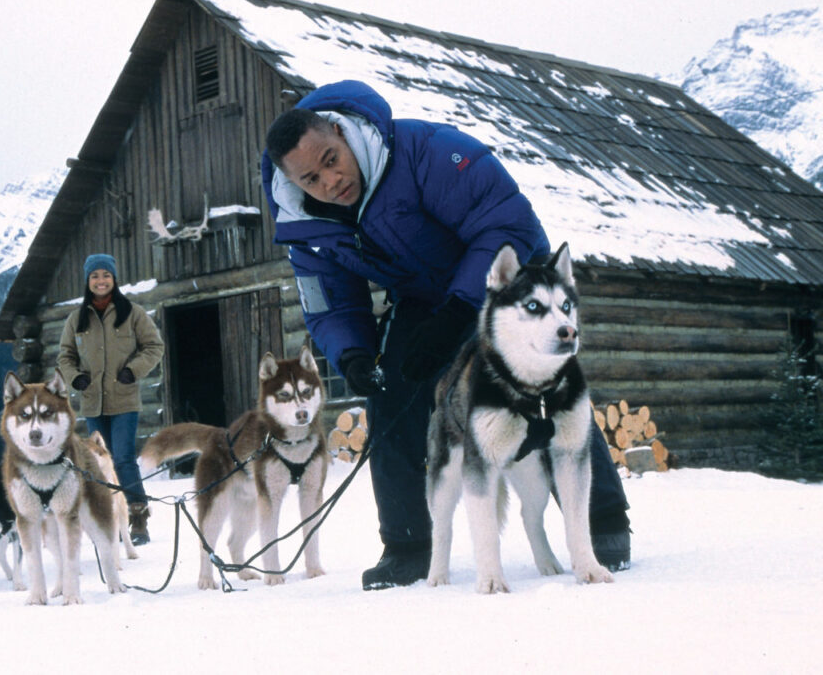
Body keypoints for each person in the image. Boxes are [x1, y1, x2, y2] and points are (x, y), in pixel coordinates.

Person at [260, 80, 631, 590]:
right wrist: (353, 355)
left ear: (343, 134)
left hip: (510, 277)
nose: (329, 181)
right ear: (293, 183)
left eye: (331, 159)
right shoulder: (303, 224)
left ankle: (602, 520)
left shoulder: (424, 151)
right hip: (424, 298)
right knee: (390, 393)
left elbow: (504, 222)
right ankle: (409, 542)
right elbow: (329, 300)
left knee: (551, 388)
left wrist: (461, 309)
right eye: (311, 177)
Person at [57, 253, 165, 545]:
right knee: (97, 464)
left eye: (105, 275)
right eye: (95, 276)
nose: (100, 281)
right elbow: (65, 356)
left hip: (124, 400)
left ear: (114, 279)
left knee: (123, 458)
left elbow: (154, 346)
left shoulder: (132, 313)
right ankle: (105, 519)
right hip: (93, 402)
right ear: (88, 281)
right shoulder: (76, 319)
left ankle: (138, 518)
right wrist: (74, 377)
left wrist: (134, 370)